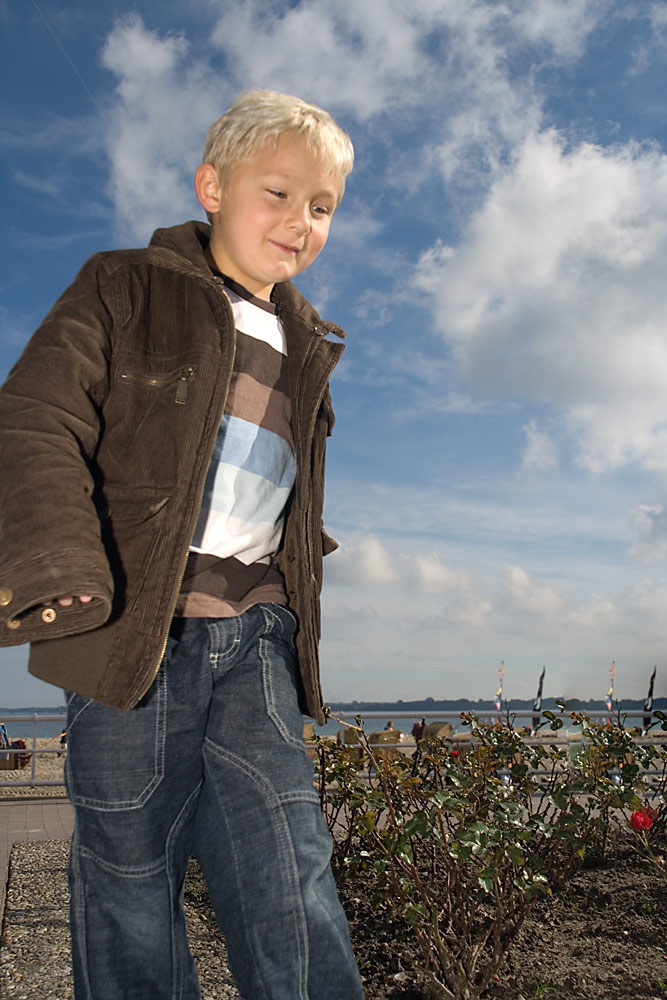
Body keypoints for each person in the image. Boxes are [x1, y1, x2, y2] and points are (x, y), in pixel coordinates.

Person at [0, 90, 364, 1000]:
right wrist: (63, 571)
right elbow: (34, 419)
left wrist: (300, 550)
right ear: (212, 185)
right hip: (132, 639)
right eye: (277, 193)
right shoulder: (123, 284)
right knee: (127, 884)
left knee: (291, 869)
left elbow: (258, 476)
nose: (300, 221)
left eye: (321, 206)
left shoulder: (307, 340)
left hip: (256, 646)